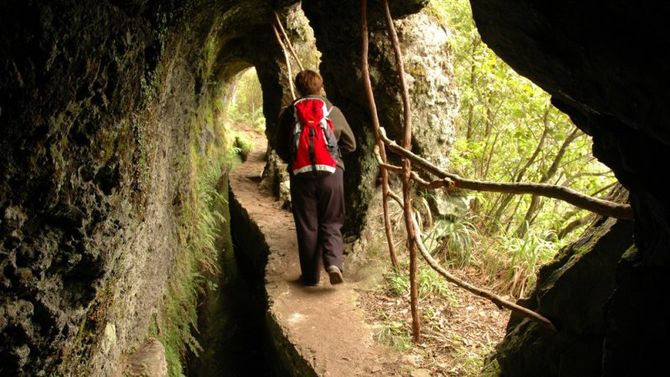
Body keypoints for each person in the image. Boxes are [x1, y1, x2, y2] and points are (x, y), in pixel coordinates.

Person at [276, 70, 356, 286]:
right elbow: (351, 144)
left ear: (298, 88)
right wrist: (333, 155)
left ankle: (310, 277)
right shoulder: (331, 110)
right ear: (320, 87)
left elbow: (281, 148)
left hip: (301, 176)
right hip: (332, 174)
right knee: (332, 220)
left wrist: (295, 161)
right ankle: (333, 264)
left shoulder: (289, 113)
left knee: (307, 225)